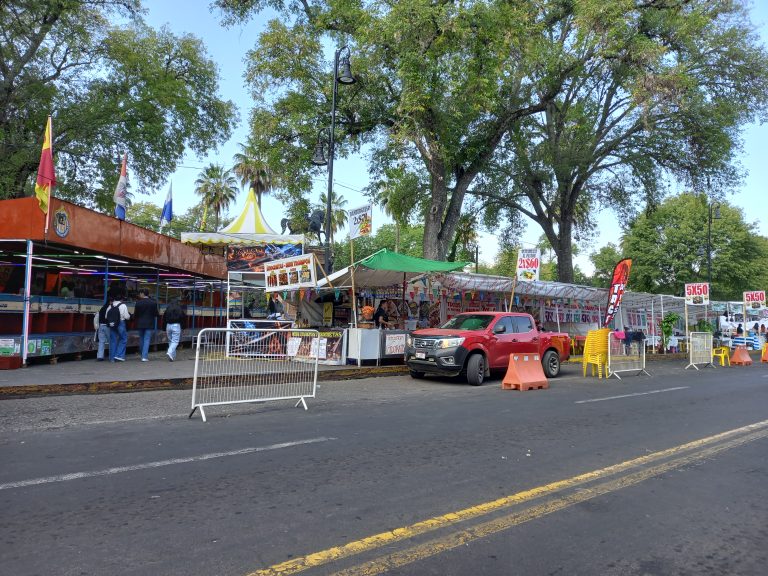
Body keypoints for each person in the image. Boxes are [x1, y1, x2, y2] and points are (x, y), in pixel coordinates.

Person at [134, 288, 159, 362]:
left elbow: (136, 314)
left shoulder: (138, 303)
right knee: (147, 339)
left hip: (140, 323)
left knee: (141, 339)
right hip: (149, 323)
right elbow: (156, 314)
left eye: (140, 293)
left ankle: (142, 354)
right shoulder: (153, 303)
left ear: (142, 294)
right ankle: (144, 357)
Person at [107, 288, 130, 362]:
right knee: (123, 339)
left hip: (112, 324)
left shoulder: (111, 305)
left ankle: (112, 359)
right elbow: (127, 316)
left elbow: (106, 316)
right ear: (121, 299)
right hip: (121, 323)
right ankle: (119, 355)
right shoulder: (123, 305)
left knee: (113, 340)